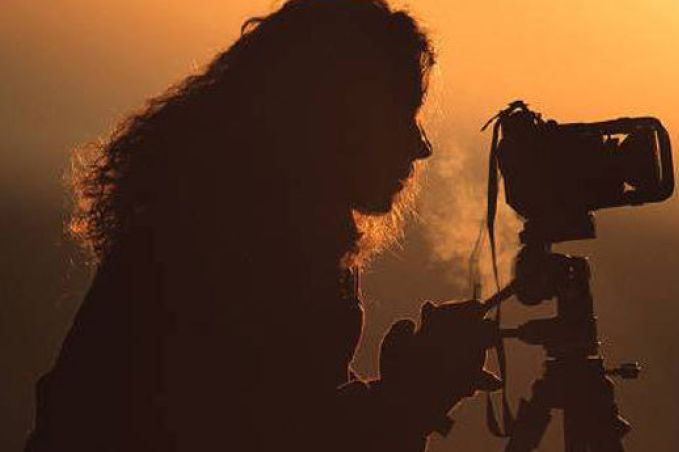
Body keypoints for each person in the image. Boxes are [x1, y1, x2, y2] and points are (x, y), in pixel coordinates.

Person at [25, 1, 500, 451]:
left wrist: (408, 393)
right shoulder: (231, 244)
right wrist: (410, 397)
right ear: (337, 122)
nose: (420, 146)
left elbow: (290, 411)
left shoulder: (258, 223)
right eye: (399, 117)